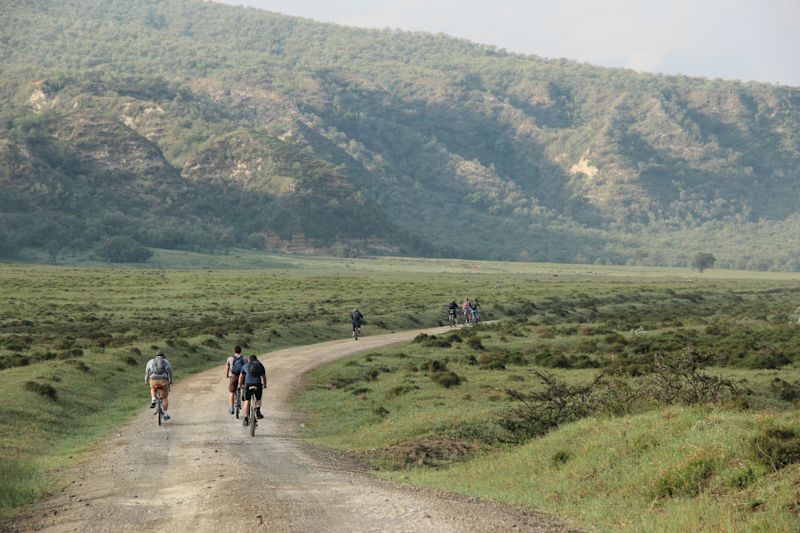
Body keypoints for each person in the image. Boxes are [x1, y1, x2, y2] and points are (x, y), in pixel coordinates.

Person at [145, 349, 174, 420]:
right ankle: (166, 415)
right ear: (163, 356)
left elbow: (146, 373)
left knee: (153, 389)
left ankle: (153, 399)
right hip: (163, 380)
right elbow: (170, 371)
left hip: (153, 379)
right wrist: (170, 380)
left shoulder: (150, 361)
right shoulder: (166, 361)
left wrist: (146, 381)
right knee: (164, 398)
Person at [238, 354, 267, 426]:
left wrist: (240, 385)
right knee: (258, 398)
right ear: (256, 359)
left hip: (247, 384)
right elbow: (263, 376)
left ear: (249, 360)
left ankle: (245, 419)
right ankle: (258, 411)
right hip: (257, 384)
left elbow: (241, 377)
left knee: (247, 401)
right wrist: (265, 384)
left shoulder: (245, 366)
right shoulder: (260, 365)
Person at [225, 345, 246, 415]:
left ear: (234, 351)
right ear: (241, 351)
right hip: (242, 376)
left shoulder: (230, 358)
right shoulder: (245, 358)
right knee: (244, 386)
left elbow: (227, 368)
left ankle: (231, 407)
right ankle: (243, 396)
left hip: (233, 376)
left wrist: (227, 375)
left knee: (232, 392)